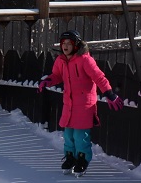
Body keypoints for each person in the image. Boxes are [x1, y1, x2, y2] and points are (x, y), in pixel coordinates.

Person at [38, 30, 123, 175]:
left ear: (76, 45)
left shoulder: (85, 60)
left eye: (68, 44)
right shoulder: (61, 60)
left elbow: (99, 77)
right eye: (63, 43)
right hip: (69, 104)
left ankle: (83, 159)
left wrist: (109, 93)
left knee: (80, 136)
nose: (65, 47)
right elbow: (57, 75)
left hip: (85, 104)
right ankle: (70, 157)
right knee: (68, 135)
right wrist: (48, 80)